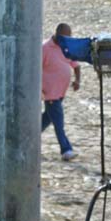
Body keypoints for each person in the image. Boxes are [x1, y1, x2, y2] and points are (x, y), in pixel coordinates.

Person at [41, 22, 81, 160]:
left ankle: (26, 137)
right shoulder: (45, 48)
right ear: (57, 34)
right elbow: (35, 69)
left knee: (47, 118)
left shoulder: (66, 48)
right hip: (50, 92)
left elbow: (76, 65)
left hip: (60, 92)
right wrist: (40, 89)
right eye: (65, 36)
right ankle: (66, 149)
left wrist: (77, 80)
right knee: (58, 122)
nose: (67, 39)